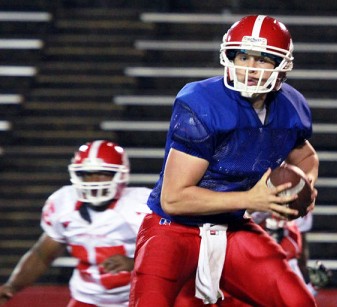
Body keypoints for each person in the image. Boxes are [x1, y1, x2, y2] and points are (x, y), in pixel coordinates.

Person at [129, 15, 319, 307]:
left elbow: (305, 155)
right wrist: (251, 199)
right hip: (173, 228)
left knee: (298, 303)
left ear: (283, 65)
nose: (250, 68)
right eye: (243, 56)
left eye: (263, 59)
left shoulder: (291, 106)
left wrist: (303, 184)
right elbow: (174, 199)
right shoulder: (202, 103)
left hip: (233, 227)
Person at [0, 140, 152, 307]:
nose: (94, 180)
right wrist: (12, 286)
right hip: (86, 298)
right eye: (87, 173)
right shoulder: (63, 203)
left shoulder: (142, 204)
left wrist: (135, 263)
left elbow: (171, 254)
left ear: (121, 174)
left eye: (103, 173)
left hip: (136, 297)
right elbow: (42, 256)